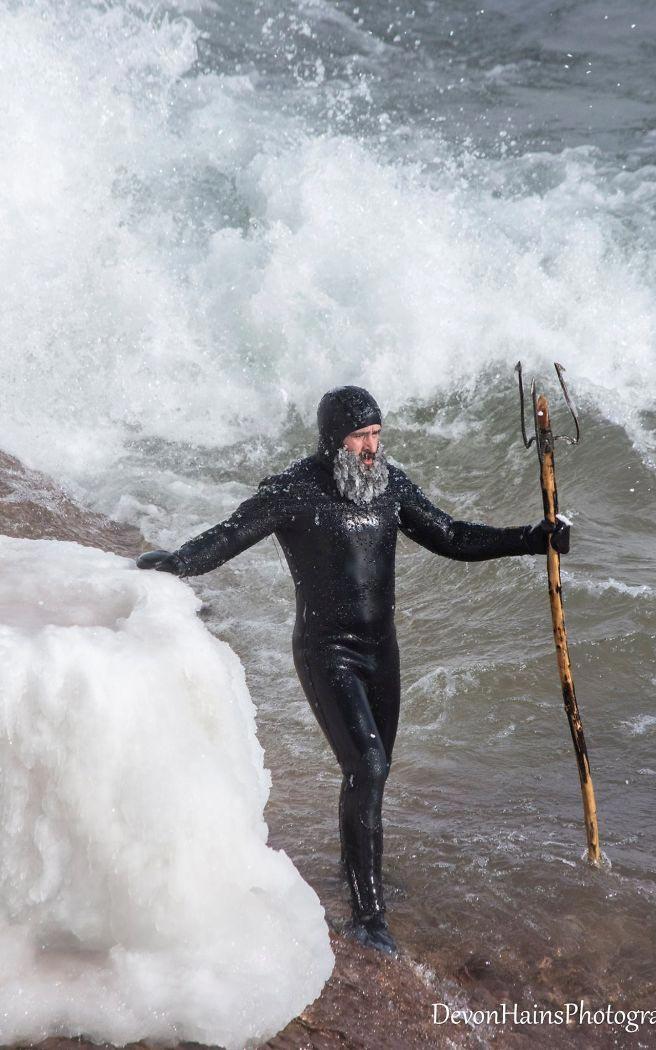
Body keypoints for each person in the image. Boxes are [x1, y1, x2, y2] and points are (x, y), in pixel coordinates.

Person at [137, 385, 569, 956]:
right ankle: (368, 917)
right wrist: (175, 563)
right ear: (332, 439)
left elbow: (453, 536)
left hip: (380, 651)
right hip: (327, 652)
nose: (372, 447)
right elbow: (230, 535)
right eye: (361, 437)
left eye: (377, 435)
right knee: (366, 764)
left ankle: (358, 870)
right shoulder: (294, 491)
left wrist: (533, 540)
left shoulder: (388, 486)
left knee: (374, 772)